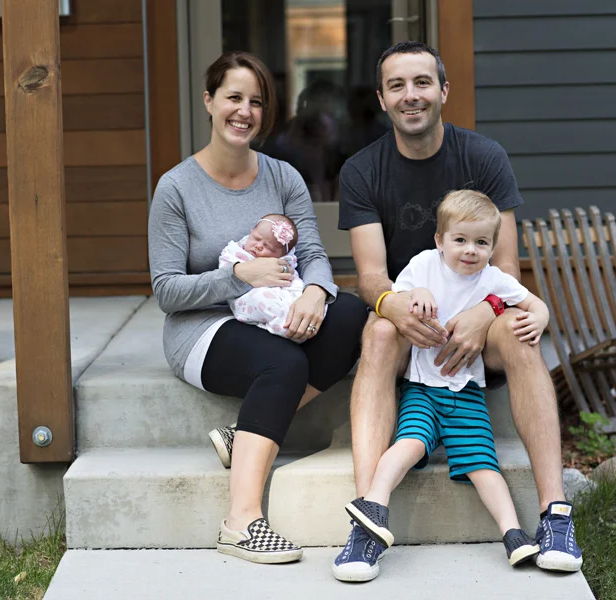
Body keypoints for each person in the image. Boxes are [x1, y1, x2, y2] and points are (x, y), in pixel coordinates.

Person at [333, 41, 583, 582]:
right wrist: (395, 307)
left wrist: (485, 312)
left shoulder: (483, 157)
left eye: (422, 82)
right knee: (377, 334)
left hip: (479, 323)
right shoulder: (362, 170)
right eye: (397, 85)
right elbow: (370, 276)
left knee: (519, 332)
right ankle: (367, 518)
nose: (411, 95)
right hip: (410, 323)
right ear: (382, 98)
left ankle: (555, 513)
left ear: (444, 90)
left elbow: (507, 268)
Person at [148, 51, 368, 565]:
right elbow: (166, 291)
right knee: (283, 362)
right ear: (209, 101)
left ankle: (244, 434)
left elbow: (314, 255)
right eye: (233, 97)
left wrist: (317, 292)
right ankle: (240, 523)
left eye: (256, 101)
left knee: (351, 314)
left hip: (276, 311)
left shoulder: (283, 177)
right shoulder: (176, 188)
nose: (244, 111)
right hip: (202, 327)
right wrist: (237, 277)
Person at [344, 190, 547, 571]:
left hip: (467, 393)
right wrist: (417, 292)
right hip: (422, 390)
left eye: (481, 242)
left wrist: (540, 317)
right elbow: (398, 295)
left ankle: (513, 534)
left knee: (484, 466)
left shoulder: (493, 279)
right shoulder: (424, 265)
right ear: (440, 240)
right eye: (460, 240)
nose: (470, 250)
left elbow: (534, 303)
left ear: (492, 247)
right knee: (408, 445)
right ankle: (373, 504)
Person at [219, 214, 327, 340]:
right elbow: (225, 271)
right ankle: (286, 326)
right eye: (256, 238)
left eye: (268, 247)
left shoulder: (285, 260)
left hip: (280, 288)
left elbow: (291, 276)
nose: (259, 246)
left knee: (300, 294)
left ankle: (300, 320)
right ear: (251, 232)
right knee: (263, 300)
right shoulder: (235, 251)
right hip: (249, 293)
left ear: (281, 254)